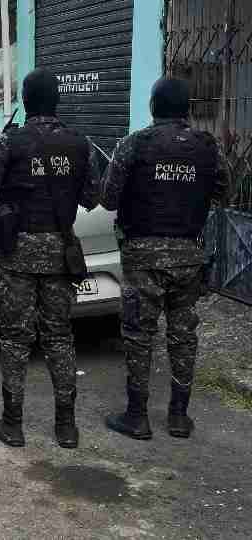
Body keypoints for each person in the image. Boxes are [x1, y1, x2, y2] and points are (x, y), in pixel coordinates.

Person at [0, 68, 101, 449]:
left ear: (25, 101)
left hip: (18, 254)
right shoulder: (79, 143)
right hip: (60, 251)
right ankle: (66, 426)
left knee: (15, 338)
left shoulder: (9, 142)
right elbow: (92, 197)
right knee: (59, 336)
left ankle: (13, 423)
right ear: (57, 101)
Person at [102, 78, 231, 440]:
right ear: (187, 109)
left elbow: (108, 198)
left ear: (153, 106)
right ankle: (178, 416)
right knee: (183, 335)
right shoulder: (208, 147)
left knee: (139, 334)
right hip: (188, 256)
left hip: (142, 255)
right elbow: (224, 191)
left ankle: (137, 416)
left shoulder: (134, 144)